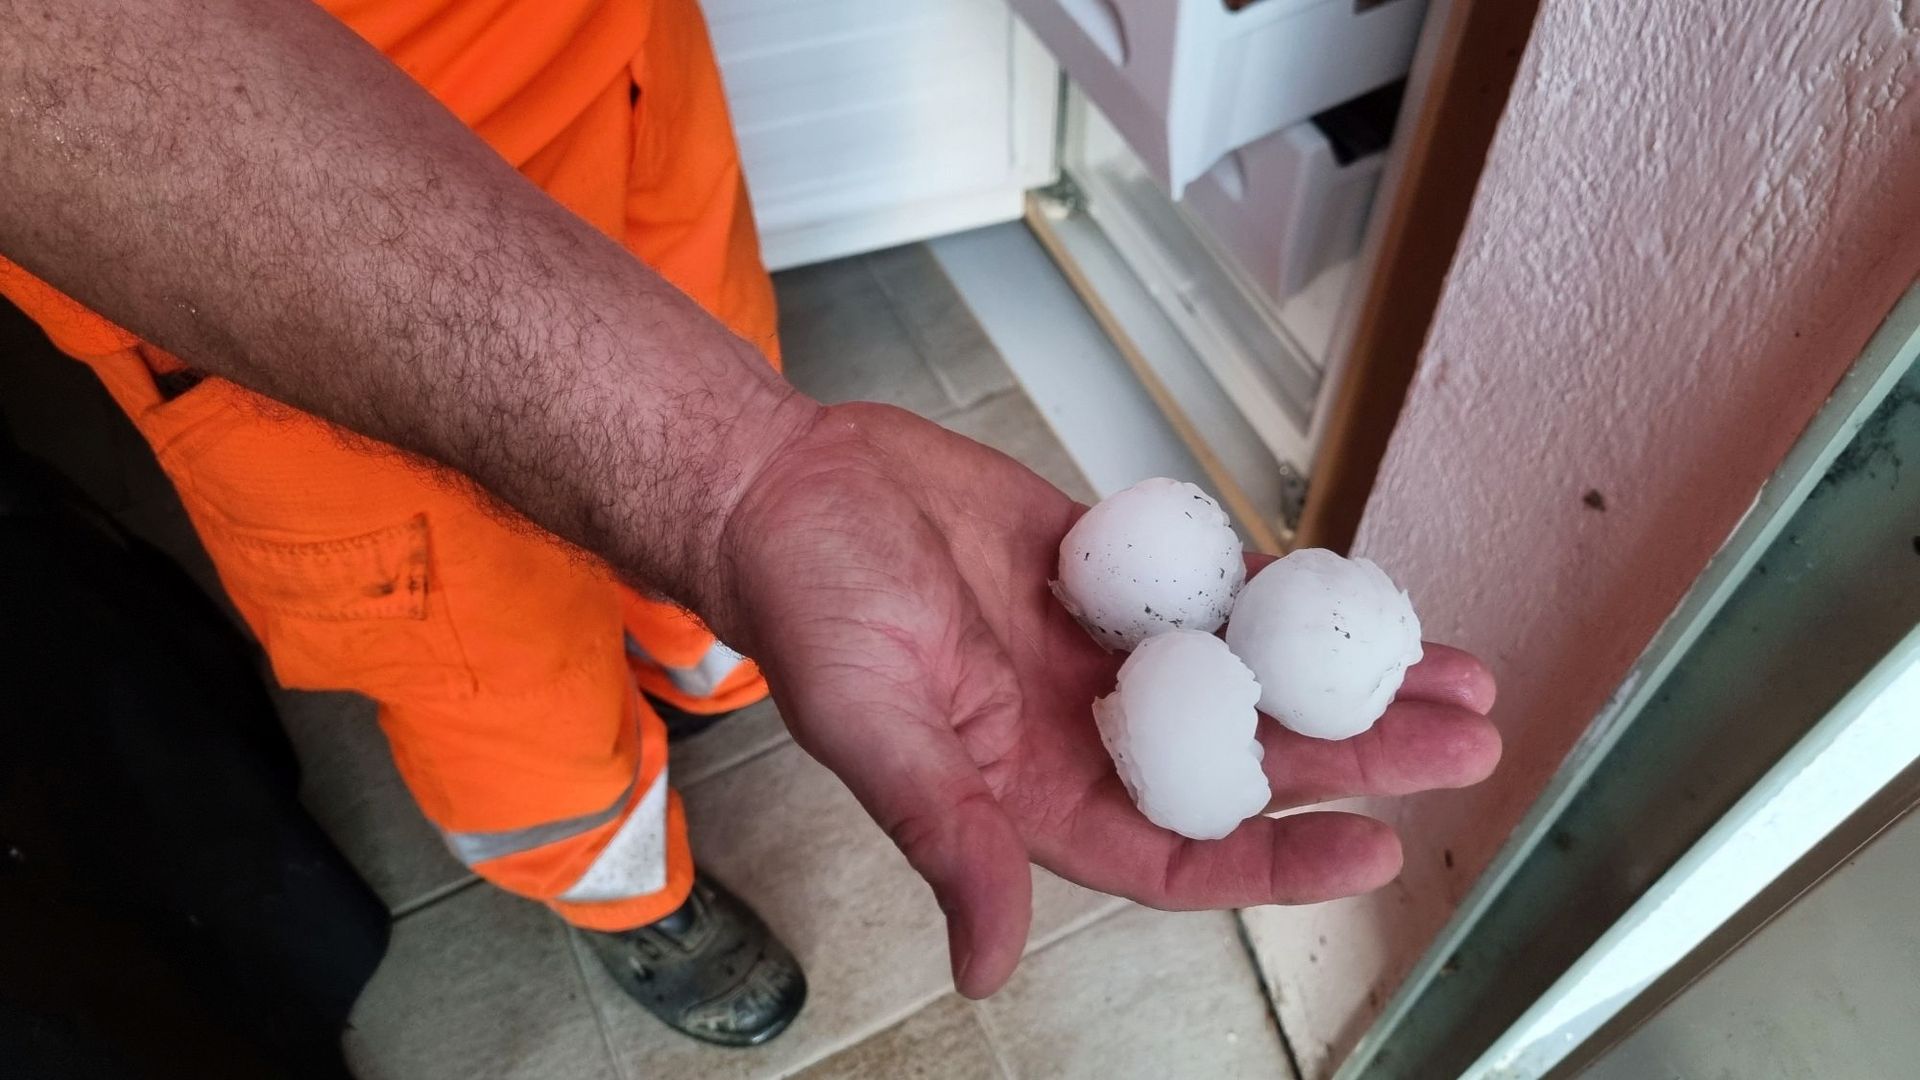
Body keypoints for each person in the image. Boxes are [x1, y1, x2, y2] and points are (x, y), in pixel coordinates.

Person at [0, 0, 1503, 1053]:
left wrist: (728, 489)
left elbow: (738, 468)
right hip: (245, 228)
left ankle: (710, 669)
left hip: (614, 73)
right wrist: (727, 487)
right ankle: (619, 885)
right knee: (483, 663)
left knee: (739, 484)